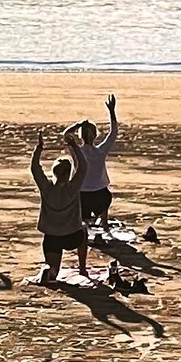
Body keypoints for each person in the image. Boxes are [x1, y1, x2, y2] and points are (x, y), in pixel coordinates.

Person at [29, 134, 88, 284]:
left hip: (51, 236)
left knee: (54, 269)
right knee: (84, 231)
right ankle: (82, 269)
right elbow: (83, 167)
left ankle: (49, 271)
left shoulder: (47, 188)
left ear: (54, 172)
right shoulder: (73, 188)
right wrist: (74, 146)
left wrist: (39, 149)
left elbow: (35, 169)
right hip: (71, 235)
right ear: (69, 174)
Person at [69, 95, 120, 232]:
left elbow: (66, 135)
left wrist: (78, 125)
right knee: (104, 195)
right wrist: (112, 111)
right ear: (95, 135)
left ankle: (84, 225)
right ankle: (104, 224)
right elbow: (113, 133)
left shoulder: (77, 152)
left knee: (82, 214)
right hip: (101, 197)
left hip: (82, 196)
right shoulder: (100, 151)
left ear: (81, 136)